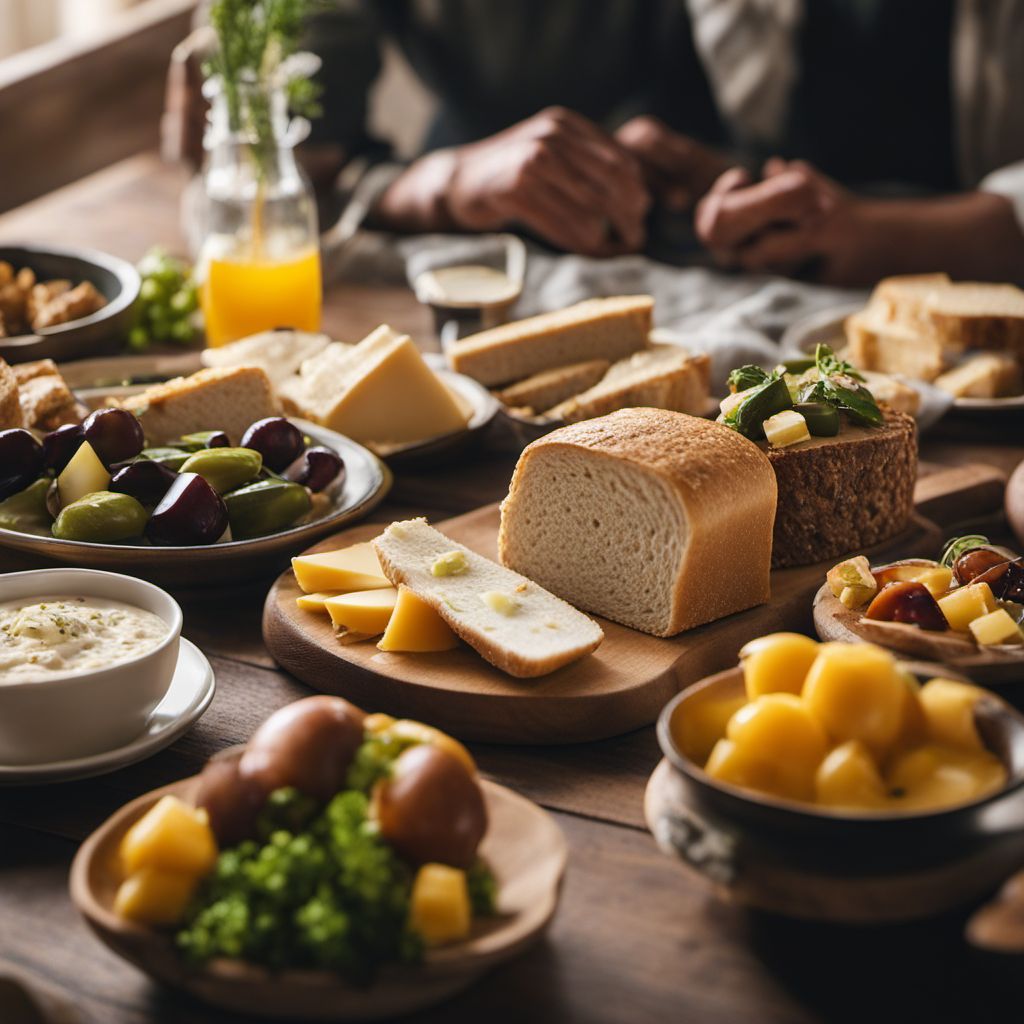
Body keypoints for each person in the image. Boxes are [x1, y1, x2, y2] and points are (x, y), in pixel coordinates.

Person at [165, 0, 1024, 285]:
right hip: (481, 305)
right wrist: (445, 182)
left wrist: (878, 229)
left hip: (905, 304)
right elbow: (250, 161)